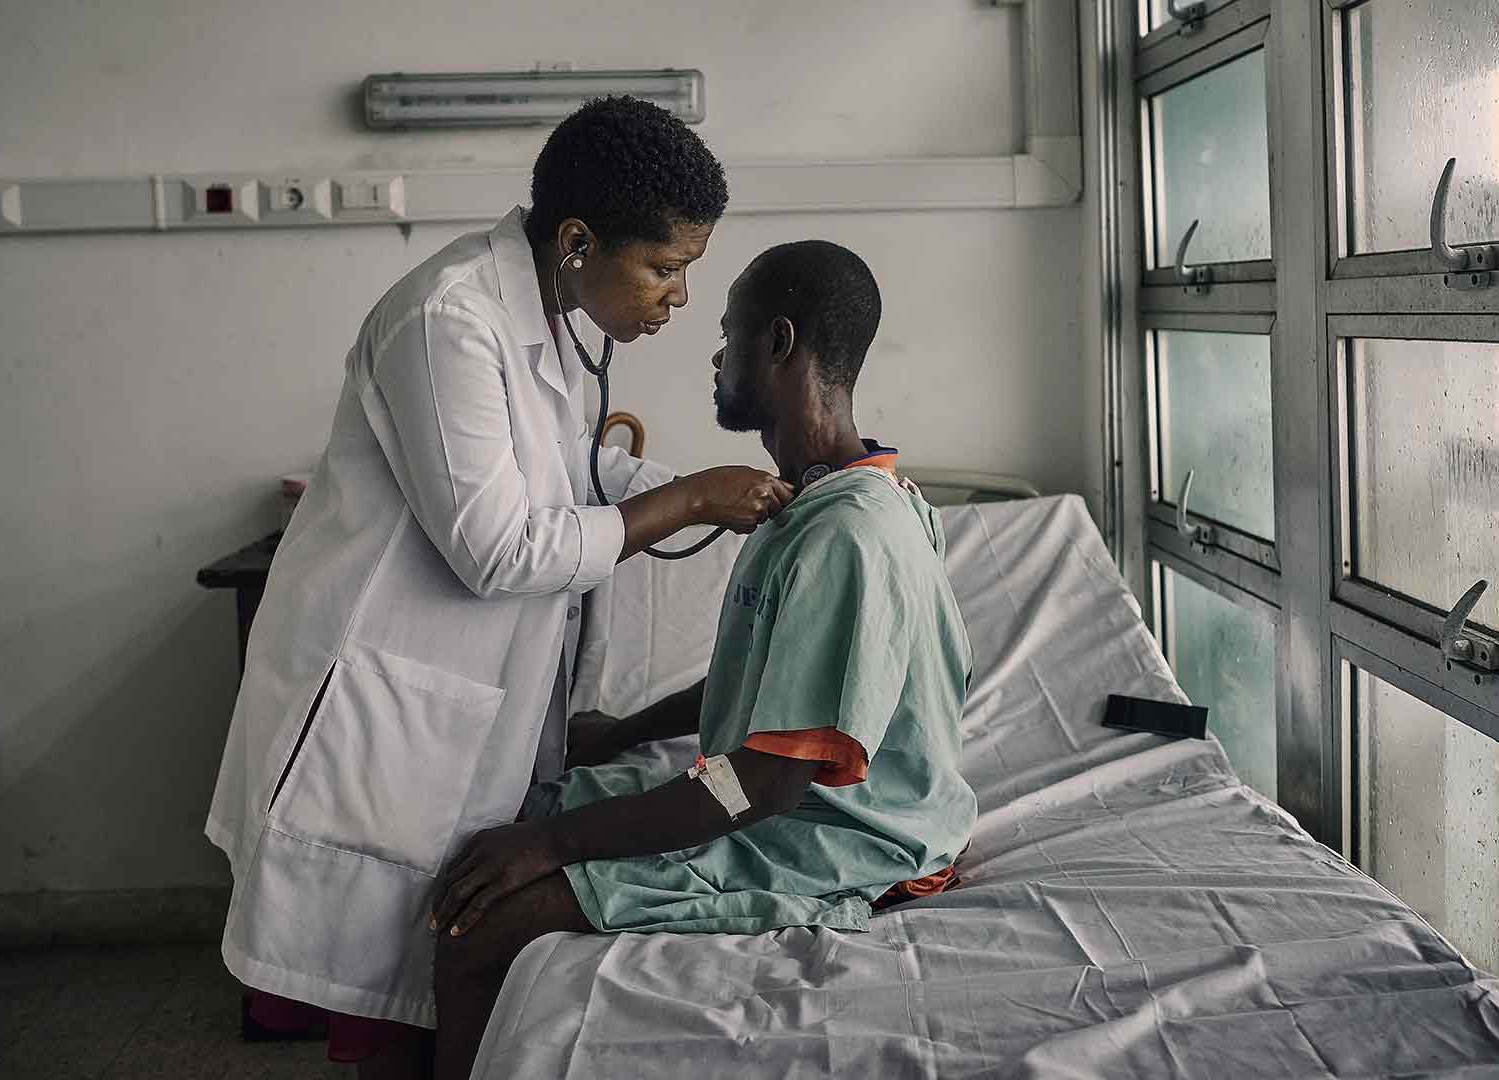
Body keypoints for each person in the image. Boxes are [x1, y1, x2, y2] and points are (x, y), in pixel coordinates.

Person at [202, 97, 796, 1076]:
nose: (676, 300)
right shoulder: (449, 319)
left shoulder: (548, 315)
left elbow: (563, 469)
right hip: (381, 700)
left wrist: (724, 494)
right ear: (577, 240)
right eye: (664, 267)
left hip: (463, 702)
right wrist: (691, 500)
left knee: (427, 975)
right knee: (385, 1005)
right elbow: (499, 548)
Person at [427, 240, 979, 1079]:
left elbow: (762, 780)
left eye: (730, 334)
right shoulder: (819, 504)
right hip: (769, 791)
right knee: (516, 806)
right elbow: (768, 684)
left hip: (843, 840)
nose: (716, 357)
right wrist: (623, 733)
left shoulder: (850, 535)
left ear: (780, 343)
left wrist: (553, 849)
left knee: (486, 924)